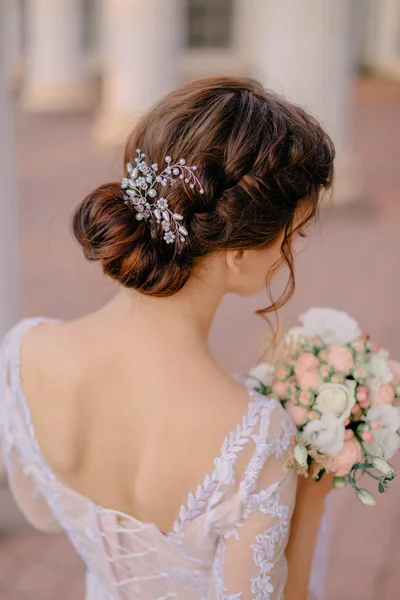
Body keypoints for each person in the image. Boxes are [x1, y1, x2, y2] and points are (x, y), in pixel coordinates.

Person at [0, 77, 335, 599]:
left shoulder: (24, 352)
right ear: (240, 252)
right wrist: (313, 490)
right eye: (294, 234)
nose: (292, 252)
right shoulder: (257, 440)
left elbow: (42, 511)